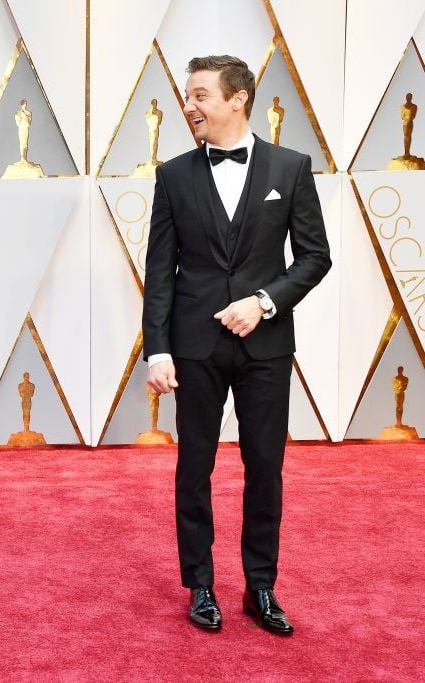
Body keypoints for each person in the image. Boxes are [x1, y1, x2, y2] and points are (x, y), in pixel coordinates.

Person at [143, 55, 330, 634]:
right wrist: (158, 349)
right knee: (193, 466)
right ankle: (199, 584)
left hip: (266, 345)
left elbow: (315, 257)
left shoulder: (291, 167)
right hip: (194, 345)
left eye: (200, 95)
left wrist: (265, 301)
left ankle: (261, 587)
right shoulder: (172, 175)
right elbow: (160, 270)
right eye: (188, 95)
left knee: (265, 468)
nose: (190, 106)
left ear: (238, 99)